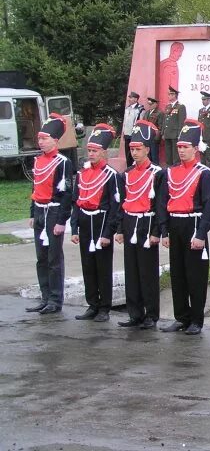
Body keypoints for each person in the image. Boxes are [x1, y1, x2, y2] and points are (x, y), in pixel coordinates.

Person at [159, 119, 210, 335]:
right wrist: (164, 230)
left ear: (195, 149)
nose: (181, 151)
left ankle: (196, 320)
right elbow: (163, 202)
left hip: (193, 224)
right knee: (178, 274)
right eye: (179, 147)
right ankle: (181, 316)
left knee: (195, 275)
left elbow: (209, 206)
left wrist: (201, 233)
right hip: (175, 224)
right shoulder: (170, 172)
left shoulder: (204, 173)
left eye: (185, 147)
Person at [116, 120, 164, 330]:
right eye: (131, 149)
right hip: (129, 223)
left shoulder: (157, 173)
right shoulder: (126, 174)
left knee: (147, 271)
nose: (134, 153)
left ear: (147, 149)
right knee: (131, 270)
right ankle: (135, 312)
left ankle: (151, 314)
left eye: (138, 149)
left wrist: (156, 231)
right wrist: (119, 229)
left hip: (146, 223)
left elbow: (160, 205)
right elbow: (121, 204)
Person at [70, 124, 120, 323]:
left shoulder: (111, 175)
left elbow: (114, 207)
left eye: (94, 151)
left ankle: (104, 307)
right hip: (85, 221)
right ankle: (92, 303)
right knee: (88, 266)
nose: (91, 154)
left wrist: (108, 232)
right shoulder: (82, 174)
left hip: (101, 222)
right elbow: (76, 201)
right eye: (89, 150)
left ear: (104, 152)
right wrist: (74, 228)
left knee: (102, 267)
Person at [26, 114, 74, 315]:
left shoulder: (63, 162)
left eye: (44, 138)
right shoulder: (37, 161)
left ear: (55, 140)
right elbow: (35, 186)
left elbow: (67, 193)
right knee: (41, 258)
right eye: (39, 138)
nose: (41, 141)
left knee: (54, 258)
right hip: (39, 210)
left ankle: (55, 299)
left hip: (53, 211)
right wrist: (31, 212)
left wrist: (62, 220)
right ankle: (45, 296)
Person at [162, 86, 186, 166]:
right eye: (168, 94)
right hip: (167, 133)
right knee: (168, 154)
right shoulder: (168, 106)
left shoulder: (180, 106)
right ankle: (169, 168)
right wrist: (163, 133)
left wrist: (180, 134)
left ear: (174, 95)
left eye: (170, 94)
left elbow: (181, 122)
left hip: (175, 134)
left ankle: (176, 169)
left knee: (176, 155)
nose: (168, 96)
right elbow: (165, 121)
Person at [122, 92, 143, 166]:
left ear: (136, 99)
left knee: (134, 153)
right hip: (127, 133)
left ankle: (135, 167)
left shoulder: (140, 109)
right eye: (129, 98)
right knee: (127, 152)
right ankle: (128, 167)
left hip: (134, 134)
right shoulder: (127, 108)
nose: (129, 99)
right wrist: (124, 132)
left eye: (131, 98)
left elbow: (140, 123)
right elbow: (125, 122)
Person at [141, 97, 164, 165]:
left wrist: (157, 138)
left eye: (151, 104)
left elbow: (160, 126)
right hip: (146, 138)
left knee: (154, 157)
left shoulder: (159, 113)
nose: (150, 106)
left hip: (154, 138)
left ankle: (156, 172)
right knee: (147, 156)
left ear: (156, 104)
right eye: (149, 104)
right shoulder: (147, 113)